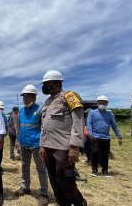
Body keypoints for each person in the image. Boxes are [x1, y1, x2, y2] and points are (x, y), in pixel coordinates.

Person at [39, 70, 87, 206]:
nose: (45, 86)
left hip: (64, 147)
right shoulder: (47, 102)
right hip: (48, 146)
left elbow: (78, 121)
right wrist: (42, 144)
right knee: (53, 179)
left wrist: (74, 146)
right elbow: (44, 125)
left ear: (56, 83)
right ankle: (62, 202)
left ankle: (79, 201)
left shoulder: (69, 96)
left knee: (65, 179)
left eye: (47, 83)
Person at [15, 85, 49, 206]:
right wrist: (17, 142)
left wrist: (43, 145)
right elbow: (19, 127)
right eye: (24, 96)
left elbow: (44, 129)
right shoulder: (21, 111)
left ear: (34, 97)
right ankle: (25, 187)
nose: (25, 98)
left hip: (36, 144)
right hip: (24, 143)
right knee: (25, 166)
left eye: (27, 96)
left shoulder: (40, 109)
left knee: (41, 168)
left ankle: (44, 193)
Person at [87, 95, 122, 177]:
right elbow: (89, 124)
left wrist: (119, 136)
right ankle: (94, 170)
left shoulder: (110, 113)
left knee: (105, 155)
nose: (102, 104)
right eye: (100, 102)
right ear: (97, 103)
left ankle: (105, 171)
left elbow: (114, 126)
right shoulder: (92, 113)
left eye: (104, 103)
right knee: (95, 153)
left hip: (106, 137)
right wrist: (90, 134)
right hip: (95, 136)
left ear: (107, 103)